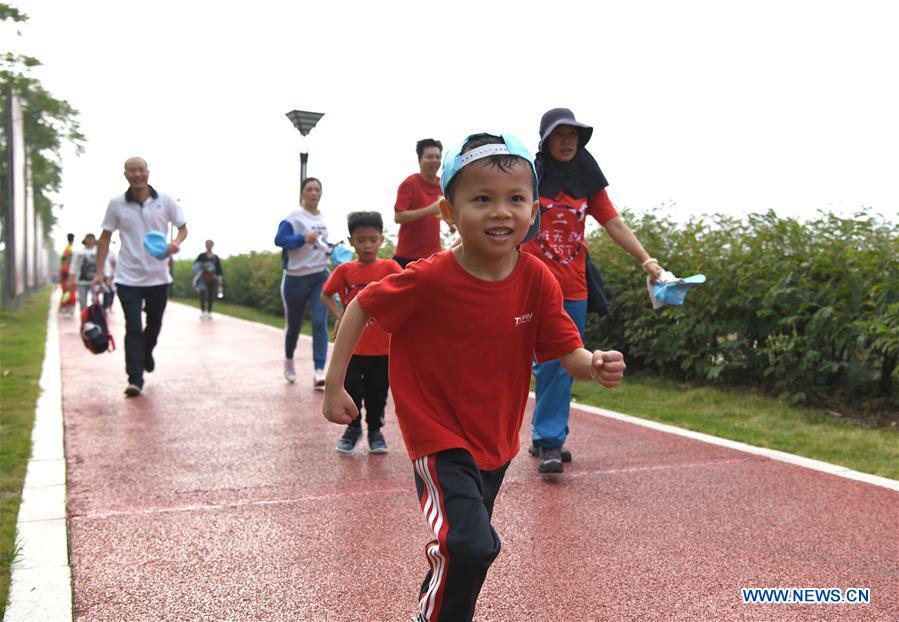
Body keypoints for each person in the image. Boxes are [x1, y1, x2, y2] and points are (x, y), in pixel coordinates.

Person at [322, 132, 625, 622]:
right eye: (482, 199)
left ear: (534, 213)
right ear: (448, 213)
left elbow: (566, 351)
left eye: (515, 199)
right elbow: (361, 305)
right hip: (437, 435)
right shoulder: (428, 278)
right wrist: (335, 385)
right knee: (470, 541)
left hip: (496, 440)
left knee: (469, 551)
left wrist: (594, 364)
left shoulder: (537, 280)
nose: (500, 211)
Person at [522, 108, 665, 474]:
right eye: (559, 135)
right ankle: (538, 433)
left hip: (573, 289)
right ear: (546, 140)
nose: (567, 141)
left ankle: (549, 440)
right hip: (529, 284)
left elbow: (613, 223)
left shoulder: (588, 181)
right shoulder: (530, 178)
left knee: (560, 363)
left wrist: (646, 259)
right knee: (532, 364)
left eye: (574, 135)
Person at [92, 156, 188, 397]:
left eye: (140, 170)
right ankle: (135, 378)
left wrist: (175, 243)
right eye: (131, 171)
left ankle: (146, 353)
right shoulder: (116, 204)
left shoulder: (165, 201)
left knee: (154, 326)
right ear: (125, 175)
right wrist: (98, 273)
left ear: (148, 172)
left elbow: (183, 227)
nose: (137, 175)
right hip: (128, 278)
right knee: (133, 327)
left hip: (158, 277)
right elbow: (105, 238)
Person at [320, 211, 401, 455]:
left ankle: (375, 431)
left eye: (373, 239)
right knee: (352, 390)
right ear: (351, 241)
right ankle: (352, 430)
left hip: (382, 348)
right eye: (361, 240)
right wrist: (340, 315)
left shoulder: (389, 267)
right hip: (352, 349)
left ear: (381, 240)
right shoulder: (344, 270)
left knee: (378, 394)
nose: (367, 245)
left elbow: (408, 290)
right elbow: (325, 294)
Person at [274, 177, 330, 388]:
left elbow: (321, 244)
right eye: (309, 190)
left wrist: (331, 247)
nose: (314, 193)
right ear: (302, 194)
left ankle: (319, 370)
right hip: (295, 278)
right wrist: (301, 239)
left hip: (320, 276)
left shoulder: (323, 219)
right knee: (294, 326)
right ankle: (289, 359)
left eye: (317, 189)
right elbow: (279, 240)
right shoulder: (294, 217)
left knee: (318, 322)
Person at [392, 138, 454, 268]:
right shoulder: (409, 184)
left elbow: (440, 210)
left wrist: (449, 224)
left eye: (437, 157)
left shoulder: (442, 185)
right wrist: (428, 210)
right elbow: (399, 217)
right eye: (429, 157)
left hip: (433, 255)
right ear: (420, 160)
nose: (434, 160)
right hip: (406, 257)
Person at [192, 239, 224, 320]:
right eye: (207, 244)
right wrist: (203, 266)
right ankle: (203, 312)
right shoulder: (201, 256)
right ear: (205, 245)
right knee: (202, 295)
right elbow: (195, 267)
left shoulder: (215, 257)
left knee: (211, 296)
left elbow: (219, 270)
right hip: (202, 278)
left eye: (210, 244)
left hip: (212, 279)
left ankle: (209, 312)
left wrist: (220, 280)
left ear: (212, 245)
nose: (208, 246)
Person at [70, 233, 99, 310]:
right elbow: (73, 265)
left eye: (92, 238)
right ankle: (84, 319)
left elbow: (104, 265)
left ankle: (94, 319)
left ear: (95, 240)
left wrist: (105, 276)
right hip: (81, 281)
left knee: (95, 301)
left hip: (94, 281)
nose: (90, 240)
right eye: (88, 238)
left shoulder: (98, 252)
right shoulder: (78, 252)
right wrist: (71, 278)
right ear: (85, 240)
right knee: (83, 302)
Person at [59, 233, 77, 315]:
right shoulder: (69, 249)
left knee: (68, 293)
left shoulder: (68, 249)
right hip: (66, 274)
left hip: (67, 274)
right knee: (67, 292)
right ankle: (64, 307)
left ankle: (66, 307)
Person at [102, 240, 117, 312]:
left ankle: (107, 306)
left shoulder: (112, 253)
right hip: (101, 274)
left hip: (109, 274)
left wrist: (112, 274)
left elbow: (114, 264)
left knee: (109, 290)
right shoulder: (99, 251)